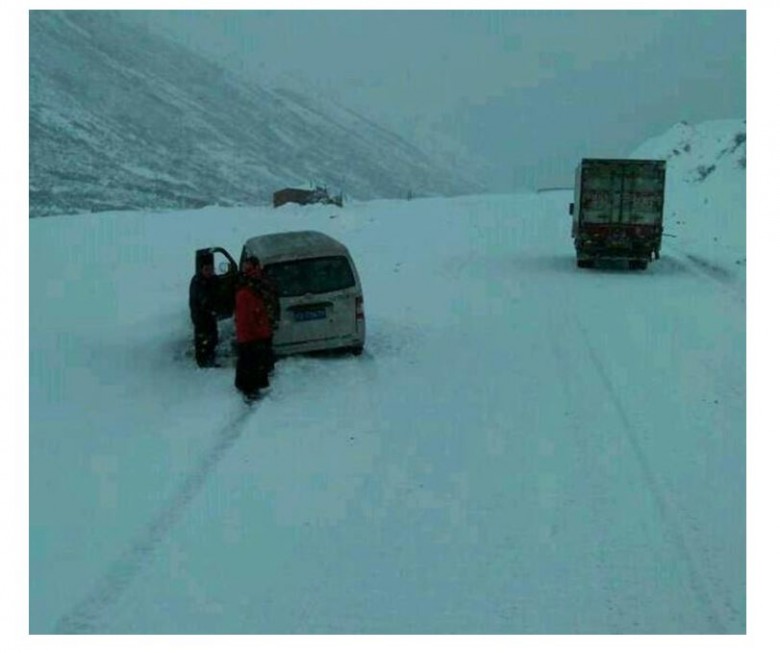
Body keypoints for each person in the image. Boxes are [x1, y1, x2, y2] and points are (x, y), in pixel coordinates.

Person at [234, 256, 278, 401]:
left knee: (251, 360)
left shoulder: (256, 284)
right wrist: (259, 328)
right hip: (253, 332)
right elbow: (248, 315)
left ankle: (249, 385)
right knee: (251, 361)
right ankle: (250, 389)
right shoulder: (247, 289)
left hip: (255, 330)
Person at [189, 252, 219, 368]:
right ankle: (202, 362)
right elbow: (202, 299)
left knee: (213, 337)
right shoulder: (197, 282)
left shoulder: (213, 280)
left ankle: (210, 358)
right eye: (206, 269)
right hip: (200, 317)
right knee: (202, 339)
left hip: (210, 316)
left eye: (211, 269)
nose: (209, 272)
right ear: (201, 269)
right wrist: (211, 306)